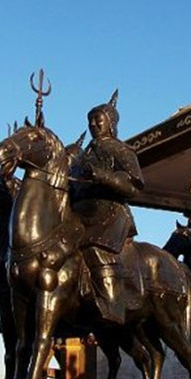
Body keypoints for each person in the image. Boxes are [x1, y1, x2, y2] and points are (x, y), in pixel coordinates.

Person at [70, 90, 145, 326]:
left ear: (110, 123)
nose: (93, 124)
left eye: (98, 120)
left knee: (94, 248)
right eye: (90, 120)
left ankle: (112, 302)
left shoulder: (120, 150)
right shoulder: (83, 155)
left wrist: (102, 176)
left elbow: (134, 185)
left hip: (109, 216)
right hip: (81, 215)